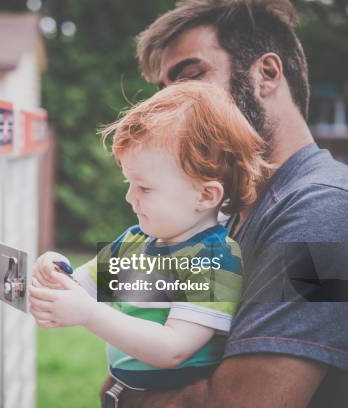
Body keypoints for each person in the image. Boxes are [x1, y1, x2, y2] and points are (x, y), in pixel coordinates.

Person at [31, 0, 348, 407]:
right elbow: (121, 302)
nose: (175, 104)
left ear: (266, 75)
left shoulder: (326, 217)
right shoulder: (215, 217)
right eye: (165, 91)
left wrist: (119, 392)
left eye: (191, 77)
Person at [29, 80, 269, 393]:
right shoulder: (133, 241)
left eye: (144, 187)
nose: (130, 197)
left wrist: (87, 313)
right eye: (129, 183)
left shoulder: (214, 260)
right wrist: (55, 272)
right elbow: (79, 291)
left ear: (206, 196)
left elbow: (173, 349)